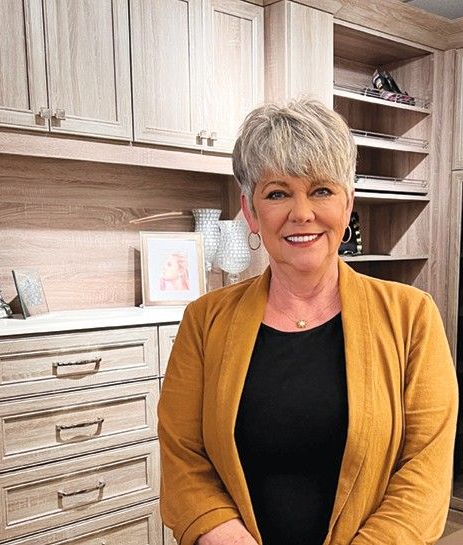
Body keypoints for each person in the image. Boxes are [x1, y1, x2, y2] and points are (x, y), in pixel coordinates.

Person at [157, 99, 458, 545]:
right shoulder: (204, 322)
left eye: (321, 190)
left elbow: (425, 473)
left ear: (348, 201)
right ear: (251, 212)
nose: (302, 213)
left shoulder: (411, 317)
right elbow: (183, 457)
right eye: (277, 193)